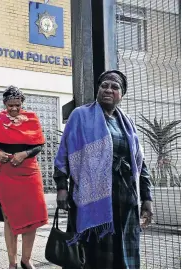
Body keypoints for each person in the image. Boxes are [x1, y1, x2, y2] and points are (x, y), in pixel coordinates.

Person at [53, 70, 153, 269]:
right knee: (92, 254)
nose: (108, 90)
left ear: (121, 94)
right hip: (91, 199)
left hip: (126, 200)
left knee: (123, 252)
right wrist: (62, 187)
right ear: (98, 89)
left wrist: (147, 198)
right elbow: (63, 153)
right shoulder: (80, 115)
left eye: (115, 87)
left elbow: (140, 163)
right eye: (104, 85)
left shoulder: (128, 124)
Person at [0, 86, 48, 269]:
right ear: (4, 103)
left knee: (32, 217)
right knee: (10, 217)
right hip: (5, 174)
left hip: (29, 172)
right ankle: (12, 262)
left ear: (22, 103)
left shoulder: (32, 118)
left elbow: (39, 145)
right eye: (10, 105)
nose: (14, 109)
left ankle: (26, 259)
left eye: (17, 105)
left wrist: (24, 154)